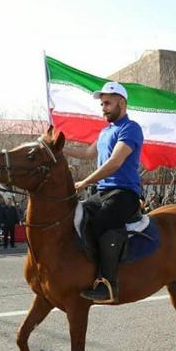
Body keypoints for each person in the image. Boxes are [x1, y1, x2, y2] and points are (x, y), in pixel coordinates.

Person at [63, 81, 143, 303]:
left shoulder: (131, 128)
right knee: (76, 217)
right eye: (102, 104)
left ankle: (108, 285)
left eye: (107, 103)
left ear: (121, 102)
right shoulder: (105, 131)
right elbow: (88, 153)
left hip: (124, 193)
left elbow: (114, 163)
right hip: (102, 192)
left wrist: (83, 182)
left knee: (101, 222)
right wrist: (59, 148)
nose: (103, 107)